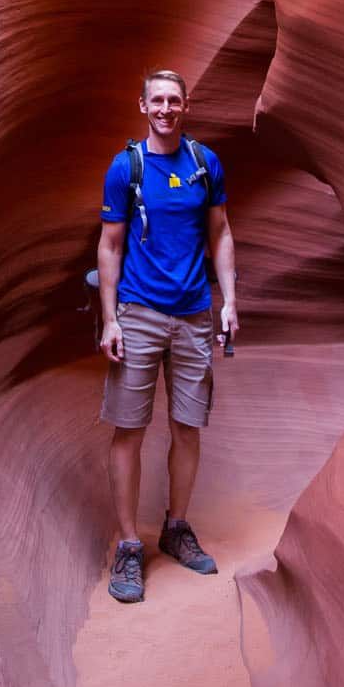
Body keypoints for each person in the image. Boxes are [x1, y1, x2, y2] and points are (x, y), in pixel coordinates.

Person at [97, 68, 238, 603]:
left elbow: (220, 232)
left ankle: (176, 528)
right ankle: (130, 545)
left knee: (188, 426)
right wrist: (111, 319)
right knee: (129, 429)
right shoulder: (126, 168)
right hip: (139, 312)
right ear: (142, 106)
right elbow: (110, 246)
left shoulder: (205, 163)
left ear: (186, 106)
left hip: (194, 313)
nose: (165, 109)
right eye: (156, 100)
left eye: (173, 101)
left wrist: (229, 301)